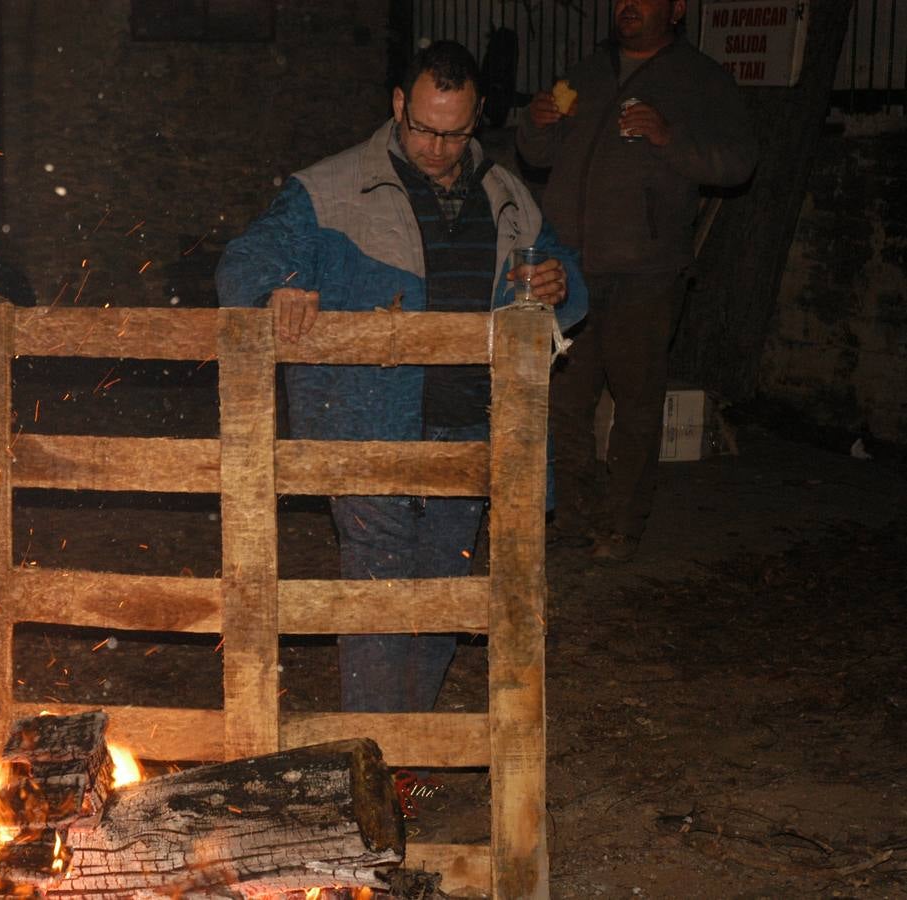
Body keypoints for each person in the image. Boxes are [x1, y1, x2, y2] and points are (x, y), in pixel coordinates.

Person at [217, 41, 588, 713]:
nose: (436, 147)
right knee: (379, 590)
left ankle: (406, 742)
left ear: (475, 118)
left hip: (472, 429)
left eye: (453, 131)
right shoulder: (327, 191)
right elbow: (244, 260)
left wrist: (559, 282)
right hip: (363, 429)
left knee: (444, 589)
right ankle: (375, 751)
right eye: (422, 127)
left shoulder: (506, 197)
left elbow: (562, 267)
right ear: (397, 105)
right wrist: (278, 288)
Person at [516, 0, 757, 562]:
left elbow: (737, 161)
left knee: (636, 403)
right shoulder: (586, 71)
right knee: (565, 400)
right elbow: (536, 153)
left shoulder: (701, 80)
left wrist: (668, 138)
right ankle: (572, 516)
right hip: (571, 266)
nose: (626, 5)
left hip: (646, 270)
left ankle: (622, 525)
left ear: (676, 9)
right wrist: (537, 123)